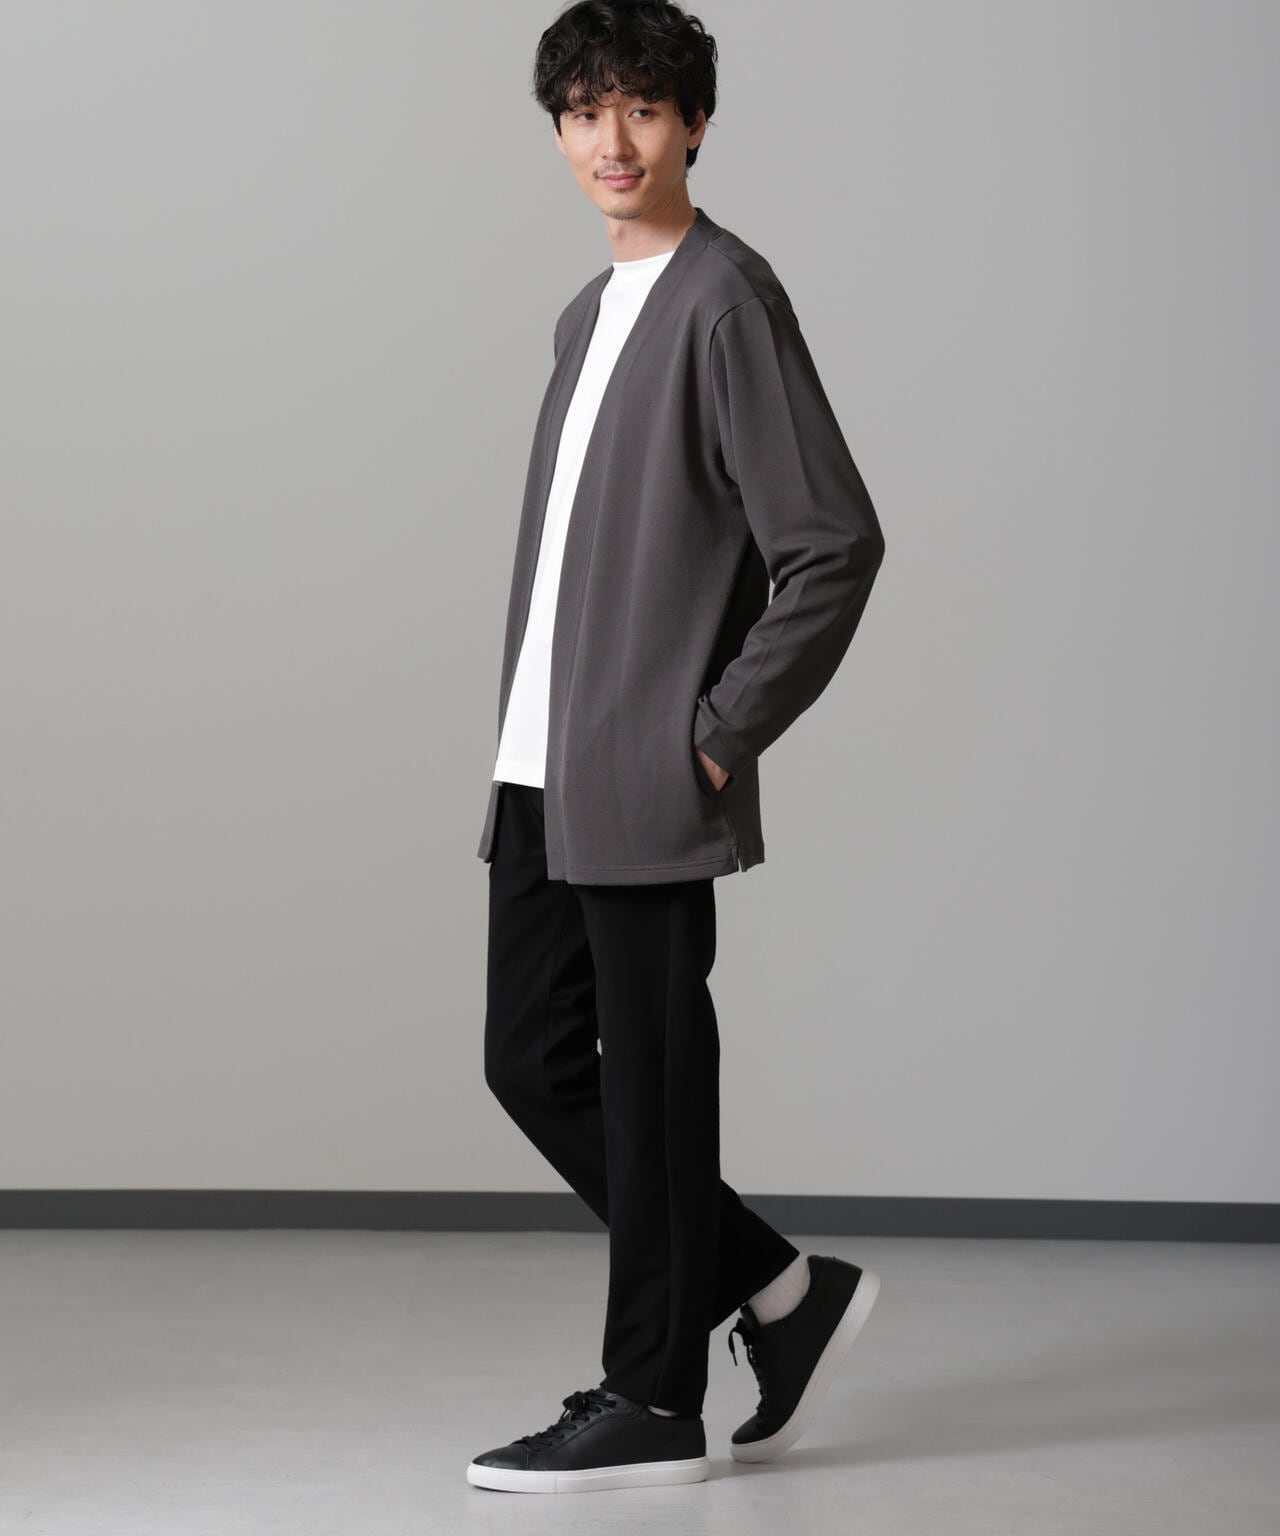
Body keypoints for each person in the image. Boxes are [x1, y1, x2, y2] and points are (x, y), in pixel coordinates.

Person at [468, 0, 886, 1494]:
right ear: (558, 131)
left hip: (642, 774)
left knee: (650, 1089)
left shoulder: (725, 301)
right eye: (586, 111)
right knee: (532, 1062)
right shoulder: (589, 316)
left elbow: (831, 544)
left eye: (643, 108)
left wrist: (710, 740)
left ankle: (653, 1399)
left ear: (694, 124)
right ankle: (776, 1287)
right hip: (542, 763)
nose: (613, 140)